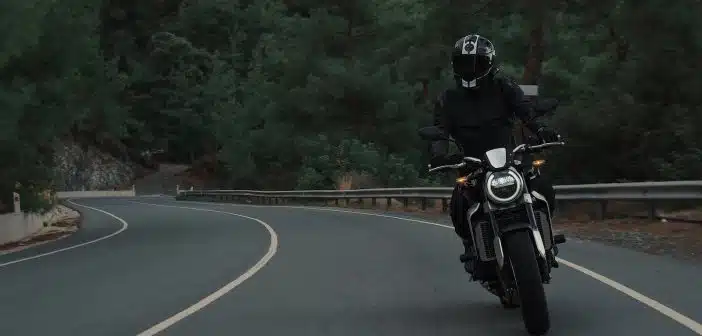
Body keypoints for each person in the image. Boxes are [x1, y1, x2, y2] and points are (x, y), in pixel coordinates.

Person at [428, 34, 561, 273]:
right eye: (464, 63)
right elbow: (439, 131)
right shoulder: (448, 99)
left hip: (510, 160)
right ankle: (473, 248)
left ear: (489, 64)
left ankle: (545, 235)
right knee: (459, 206)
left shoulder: (504, 87)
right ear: (455, 66)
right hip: (471, 166)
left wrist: (542, 130)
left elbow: (525, 112)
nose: (470, 69)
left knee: (541, 185)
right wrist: (439, 153)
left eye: (477, 63)